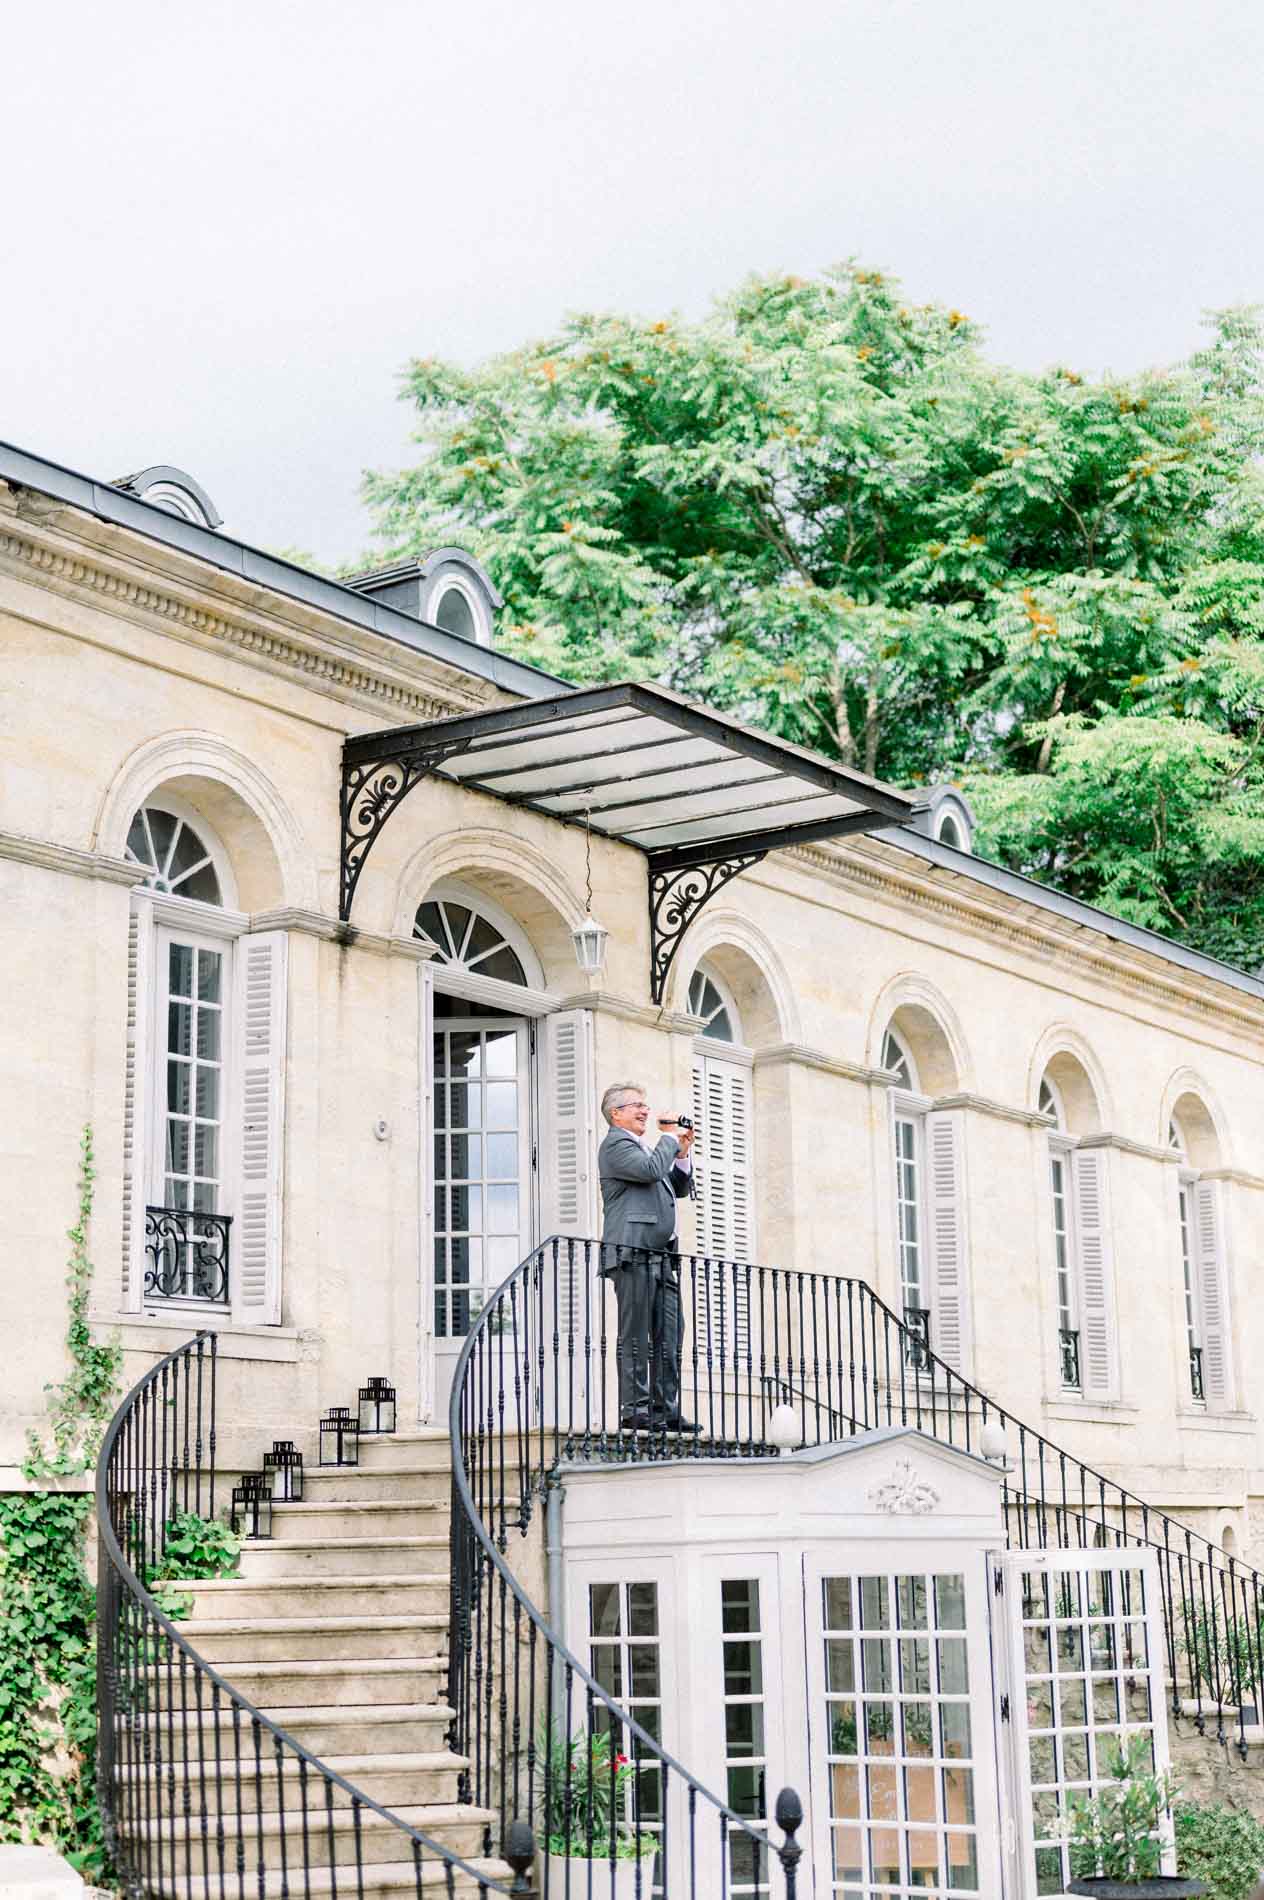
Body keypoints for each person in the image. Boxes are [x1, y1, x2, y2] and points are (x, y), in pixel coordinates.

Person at [597, 1082, 696, 1431]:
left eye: (645, 1104)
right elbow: (652, 1171)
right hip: (633, 1251)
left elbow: (677, 1187)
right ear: (616, 1113)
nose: (645, 1110)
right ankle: (635, 1409)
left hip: (662, 1256)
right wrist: (668, 1136)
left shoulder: (643, 1149)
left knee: (670, 1333)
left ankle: (665, 1409)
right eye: (636, 1105)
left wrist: (681, 1152)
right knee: (636, 1333)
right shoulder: (615, 1145)